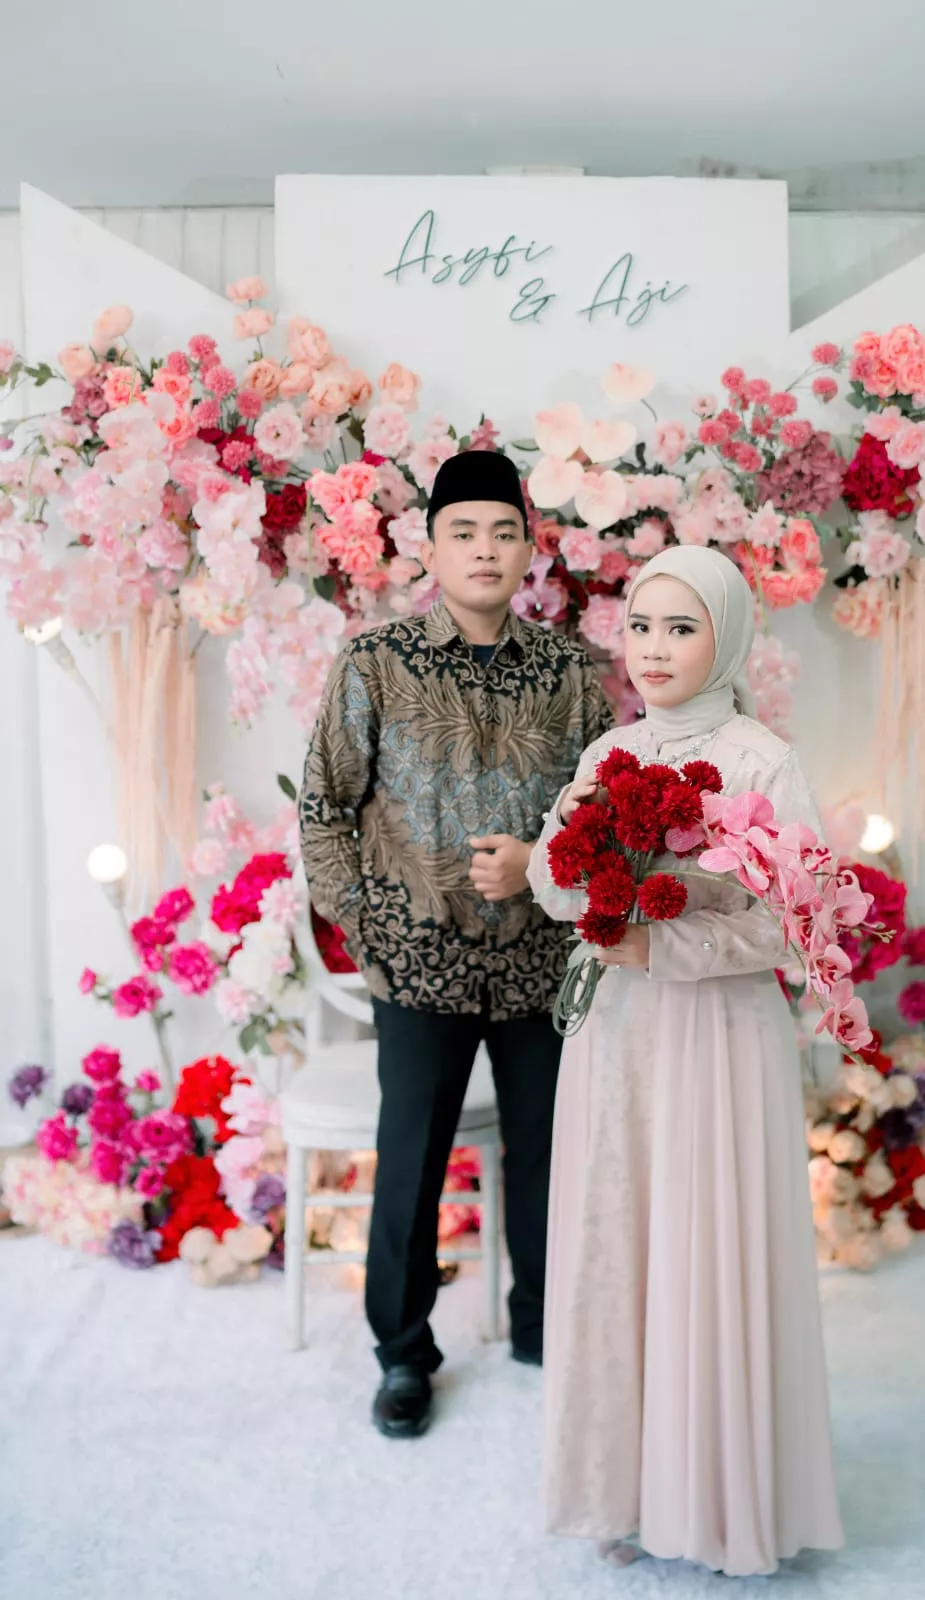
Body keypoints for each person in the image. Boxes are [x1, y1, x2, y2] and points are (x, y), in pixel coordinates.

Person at [527, 546, 844, 1576]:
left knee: (706, 1244)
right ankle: (618, 1488)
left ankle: (712, 1505)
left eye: (681, 627)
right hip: (619, 1036)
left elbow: (795, 924)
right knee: (617, 1235)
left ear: (728, 636)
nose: (654, 649)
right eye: (641, 626)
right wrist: (586, 878)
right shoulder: (610, 749)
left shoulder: (760, 761)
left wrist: (663, 942)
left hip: (715, 1038)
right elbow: (550, 877)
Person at [299, 449, 613, 1440]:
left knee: (550, 1159)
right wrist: (372, 932)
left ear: (529, 550)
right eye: (463, 532)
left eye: (503, 532)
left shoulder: (570, 673)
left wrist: (541, 866)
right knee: (411, 1162)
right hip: (418, 965)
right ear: (428, 548)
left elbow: (604, 819)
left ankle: (544, 1330)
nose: (484, 549)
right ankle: (402, 1352)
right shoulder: (375, 665)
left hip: (539, 964)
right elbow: (323, 808)